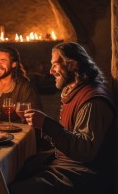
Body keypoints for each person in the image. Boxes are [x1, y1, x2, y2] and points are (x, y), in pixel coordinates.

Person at [9, 42, 117, 194]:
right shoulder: (74, 91)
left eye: (55, 65)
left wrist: (46, 124)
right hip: (66, 163)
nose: (51, 71)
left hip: (81, 173)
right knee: (17, 168)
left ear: (72, 65)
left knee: (14, 190)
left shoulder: (93, 101)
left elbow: (84, 151)